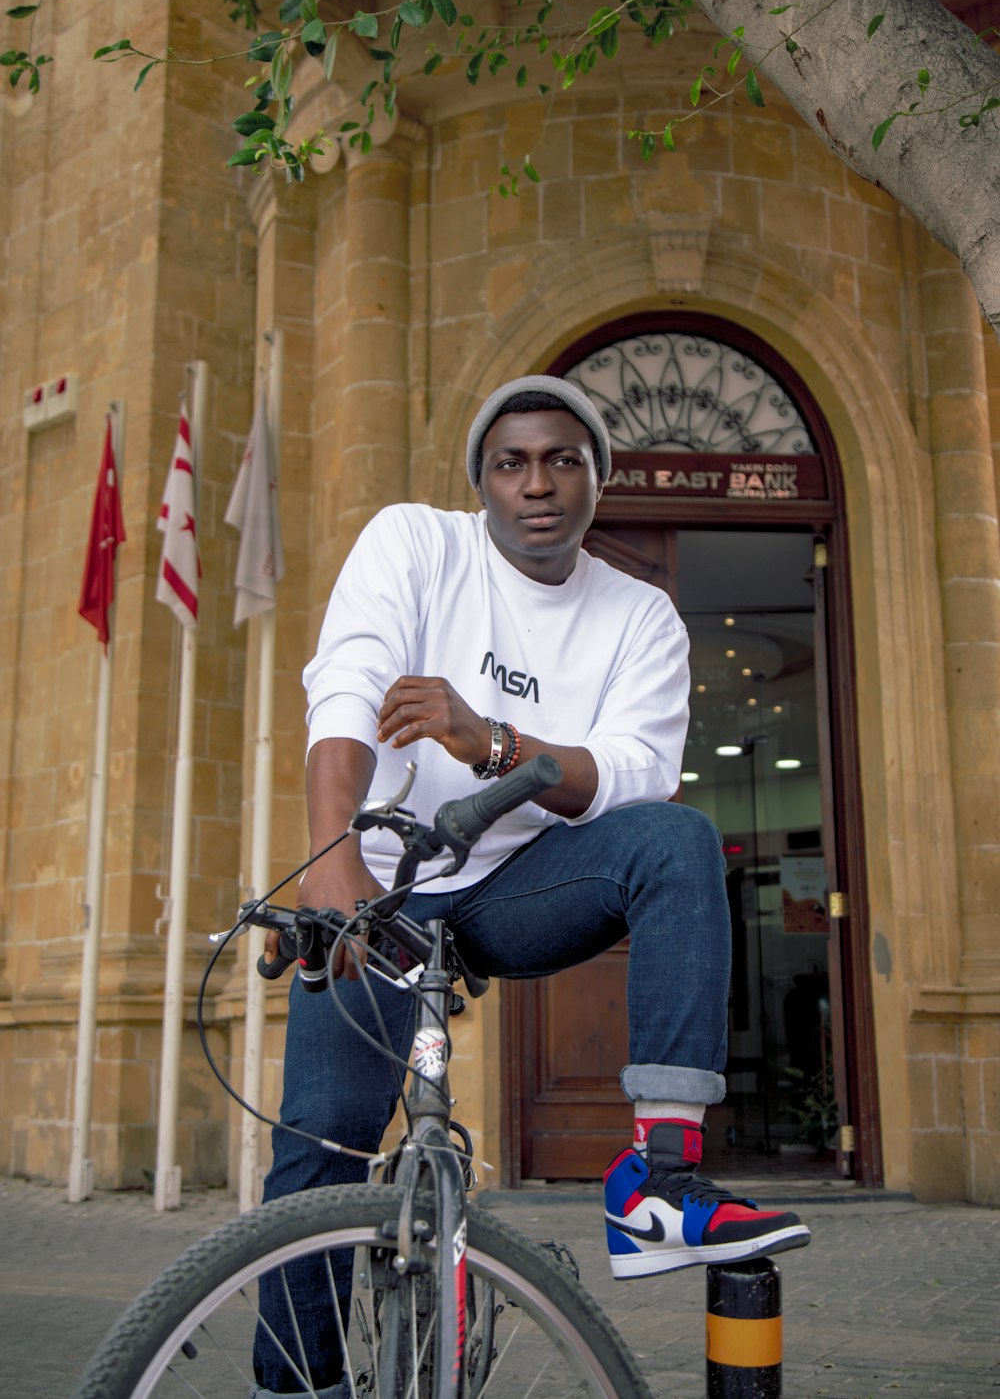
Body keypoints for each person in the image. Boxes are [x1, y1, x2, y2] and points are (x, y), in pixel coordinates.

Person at [252, 375, 810, 1397]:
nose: (538, 483)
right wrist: (334, 869)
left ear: (597, 480)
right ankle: (297, 1386)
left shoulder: (637, 612)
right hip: (376, 888)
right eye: (512, 463)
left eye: (563, 460)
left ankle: (659, 1181)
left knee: (678, 839)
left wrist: (494, 740)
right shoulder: (416, 544)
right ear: (481, 483)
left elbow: (633, 772)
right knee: (318, 1151)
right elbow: (346, 684)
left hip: (515, 888)